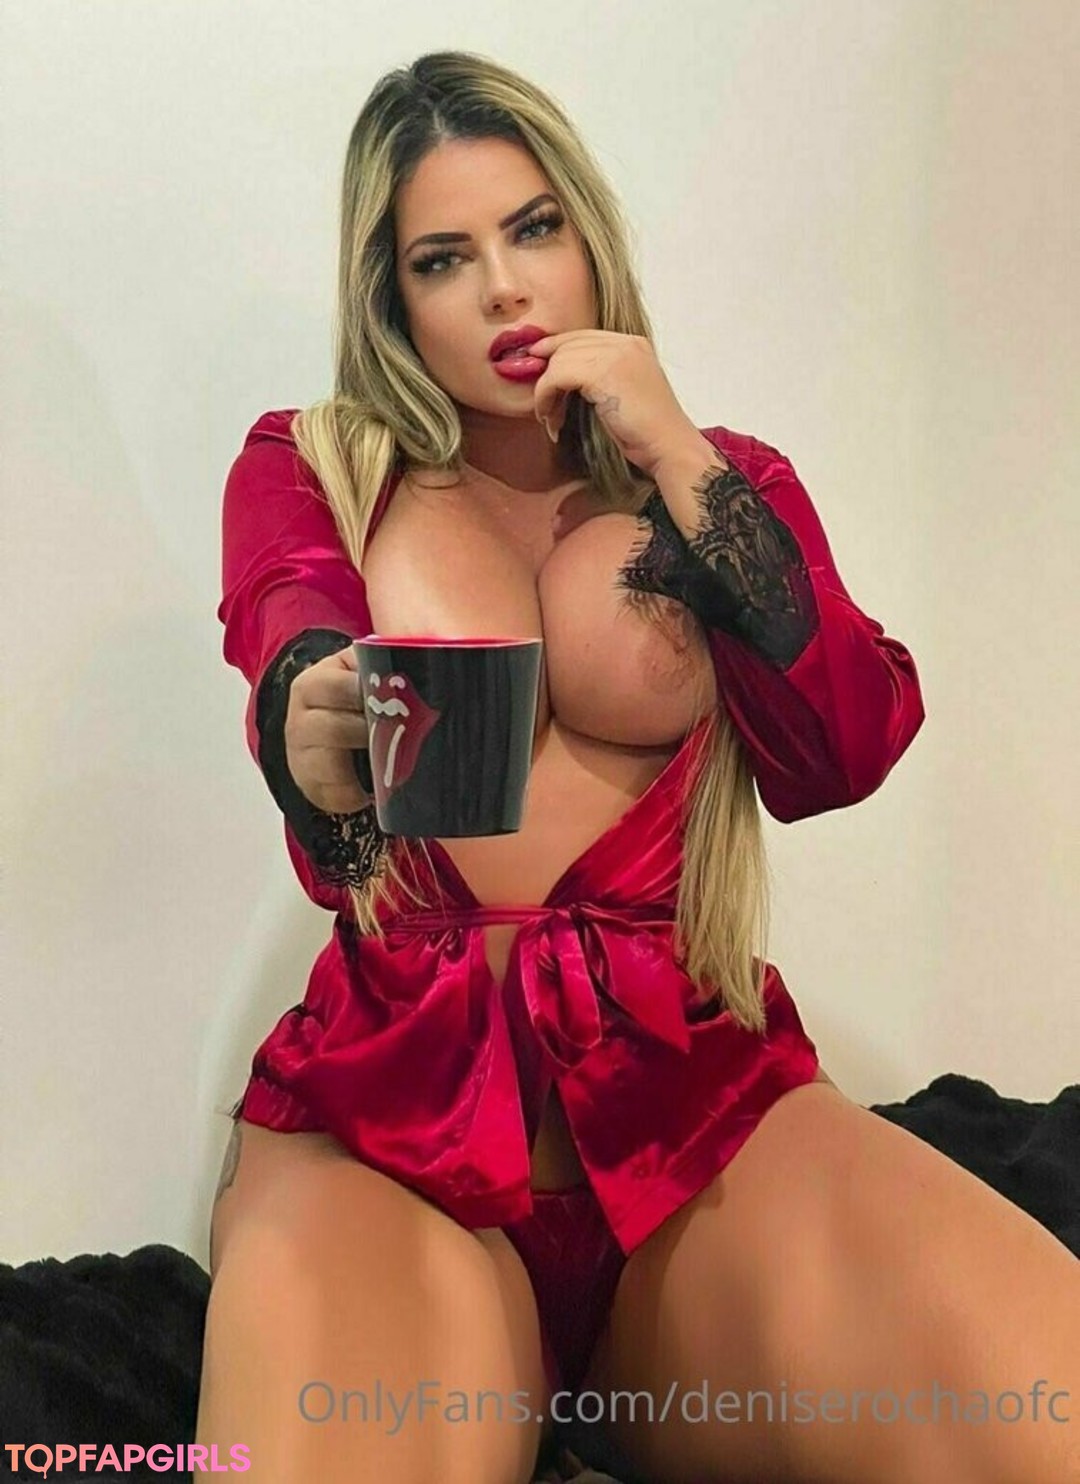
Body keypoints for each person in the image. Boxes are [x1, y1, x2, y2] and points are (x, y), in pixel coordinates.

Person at [195, 50, 1080, 1484]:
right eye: (443, 258)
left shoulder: (721, 484)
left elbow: (845, 747)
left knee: (1046, 1408)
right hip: (399, 1135)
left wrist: (676, 451)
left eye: (533, 228)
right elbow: (291, 636)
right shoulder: (316, 465)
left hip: (691, 1126)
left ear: (589, 234)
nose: (504, 289)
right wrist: (315, 724)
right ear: (391, 298)